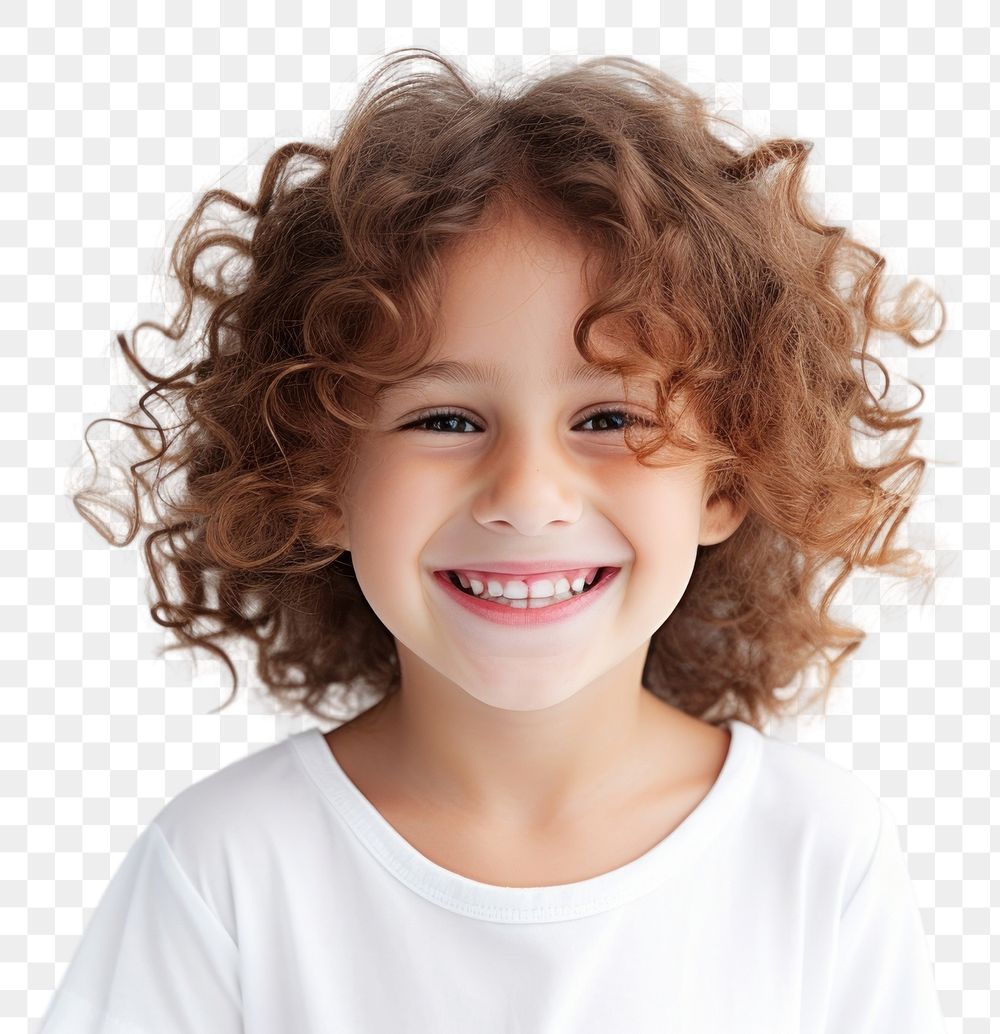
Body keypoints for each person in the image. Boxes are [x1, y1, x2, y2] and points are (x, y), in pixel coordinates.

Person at [42, 47, 947, 1033]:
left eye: (608, 418)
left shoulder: (815, 849)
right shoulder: (227, 865)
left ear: (725, 479)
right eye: (444, 419)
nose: (526, 496)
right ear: (319, 472)